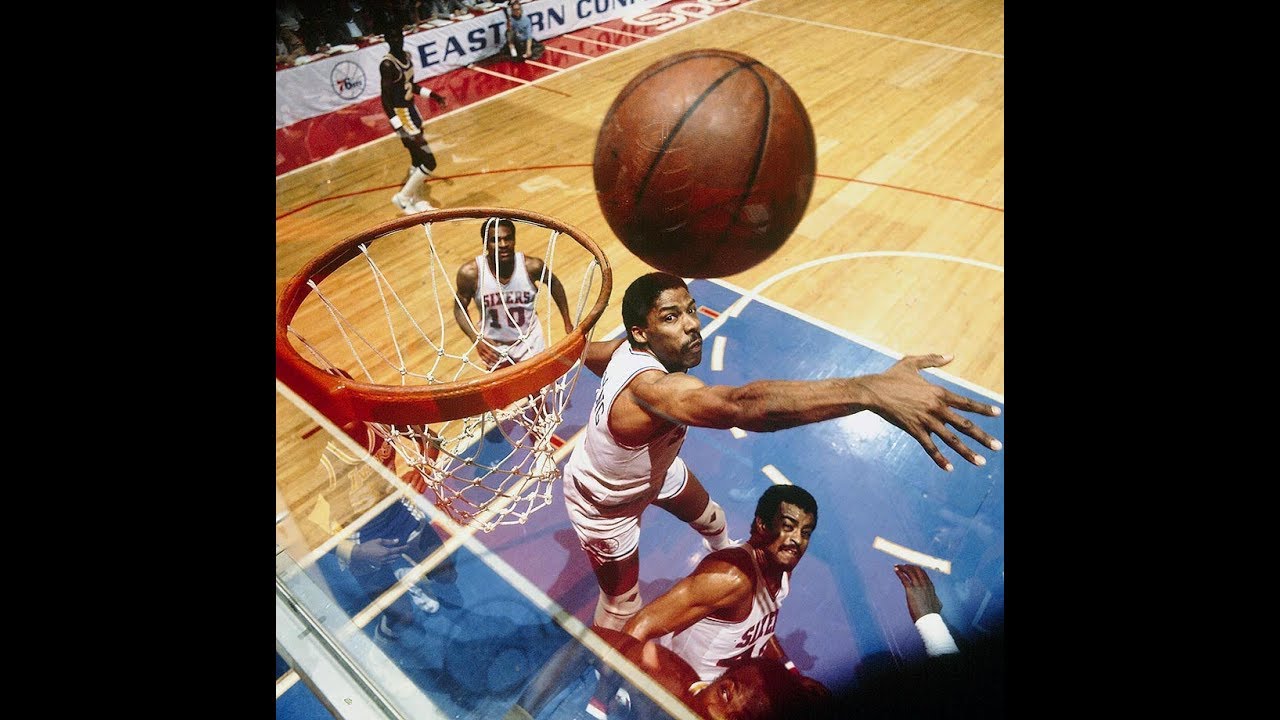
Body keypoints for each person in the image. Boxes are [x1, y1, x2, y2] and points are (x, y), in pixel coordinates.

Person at [561, 271, 1002, 632]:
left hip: (652, 470)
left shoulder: (625, 349)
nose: (693, 324)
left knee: (712, 517)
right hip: (606, 504)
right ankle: (608, 675)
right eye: (672, 318)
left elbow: (589, 355)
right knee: (621, 604)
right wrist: (867, 390)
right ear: (642, 332)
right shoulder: (654, 390)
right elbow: (740, 406)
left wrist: (559, 355)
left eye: (691, 311)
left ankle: (728, 559)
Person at [621, 484, 828, 697]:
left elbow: (760, 632)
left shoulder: (781, 569)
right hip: (682, 691)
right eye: (788, 526)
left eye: (805, 532)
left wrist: (792, 674)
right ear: (762, 525)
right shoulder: (731, 577)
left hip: (723, 691)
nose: (797, 540)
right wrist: (604, 700)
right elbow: (639, 627)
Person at [506, 625, 821, 720]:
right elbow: (587, 641)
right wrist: (522, 712)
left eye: (741, 719)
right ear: (720, 679)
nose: (724, 714)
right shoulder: (665, 677)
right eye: (726, 693)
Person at [452, 217, 575, 369]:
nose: (503, 245)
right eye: (495, 240)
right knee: (503, 391)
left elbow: (555, 284)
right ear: (485, 244)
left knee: (538, 390)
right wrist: (475, 337)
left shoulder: (532, 266)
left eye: (508, 239)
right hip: (493, 345)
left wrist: (567, 322)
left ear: (514, 240)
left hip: (530, 341)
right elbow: (459, 307)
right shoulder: (471, 273)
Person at [380, 23, 449, 215]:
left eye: (398, 35)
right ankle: (402, 198)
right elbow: (385, 100)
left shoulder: (406, 56)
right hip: (402, 116)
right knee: (429, 161)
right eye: (391, 36)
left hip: (412, 111)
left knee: (417, 158)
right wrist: (399, 128)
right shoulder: (387, 65)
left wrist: (433, 95)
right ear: (386, 39)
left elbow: (410, 85)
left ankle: (416, 199)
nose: (395, 39)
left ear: (402, 35)